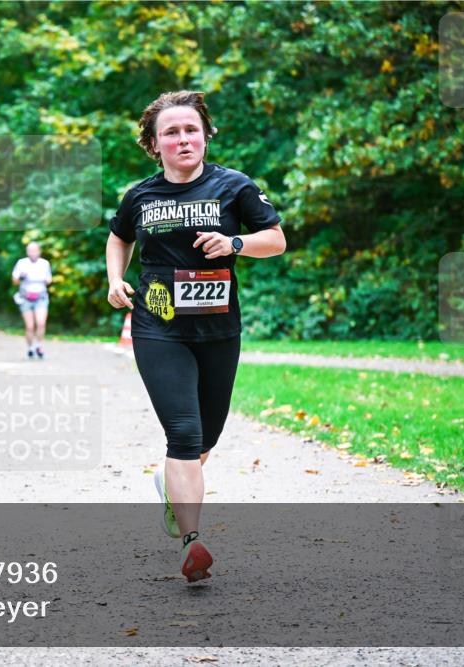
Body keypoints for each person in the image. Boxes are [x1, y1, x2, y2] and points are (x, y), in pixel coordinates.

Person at [105, 90, 286, 582]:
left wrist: (235, 242)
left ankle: (170, 485)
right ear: (154, 144)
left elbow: (276, 239)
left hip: (219, 328)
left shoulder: (235, 186)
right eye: (171, 132)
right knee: (183, 434)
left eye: (190, 129)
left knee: (205, 438)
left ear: (205, 135)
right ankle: (193, 542)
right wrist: (114, 279)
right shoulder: (141, 196)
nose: (182, 138)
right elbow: (119, 236)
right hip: (158, 327)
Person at [11, 242, 52, 359]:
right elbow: (14, 281)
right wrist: (21, 277)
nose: (32, 253)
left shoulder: (44, 264)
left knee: (41, 323)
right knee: (29, 326)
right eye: (30, 250)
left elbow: (49, 280)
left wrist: (44, 279)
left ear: (39, 251)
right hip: (25, 298)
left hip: (41, 297)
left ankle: (38, 346)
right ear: (27, 252)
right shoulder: (21, 263)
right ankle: (30, 348)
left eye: (34, 250)